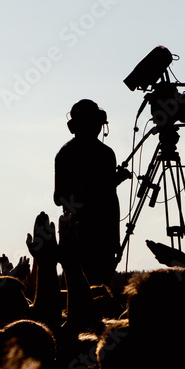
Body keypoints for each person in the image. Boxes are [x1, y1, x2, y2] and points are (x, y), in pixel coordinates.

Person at [54, 99, 130, 286]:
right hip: (85, 242)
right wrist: (108, 183)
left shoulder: (70, 153)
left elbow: (61, 198)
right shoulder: (99, 154)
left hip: (101, 240)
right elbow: (60, 198)